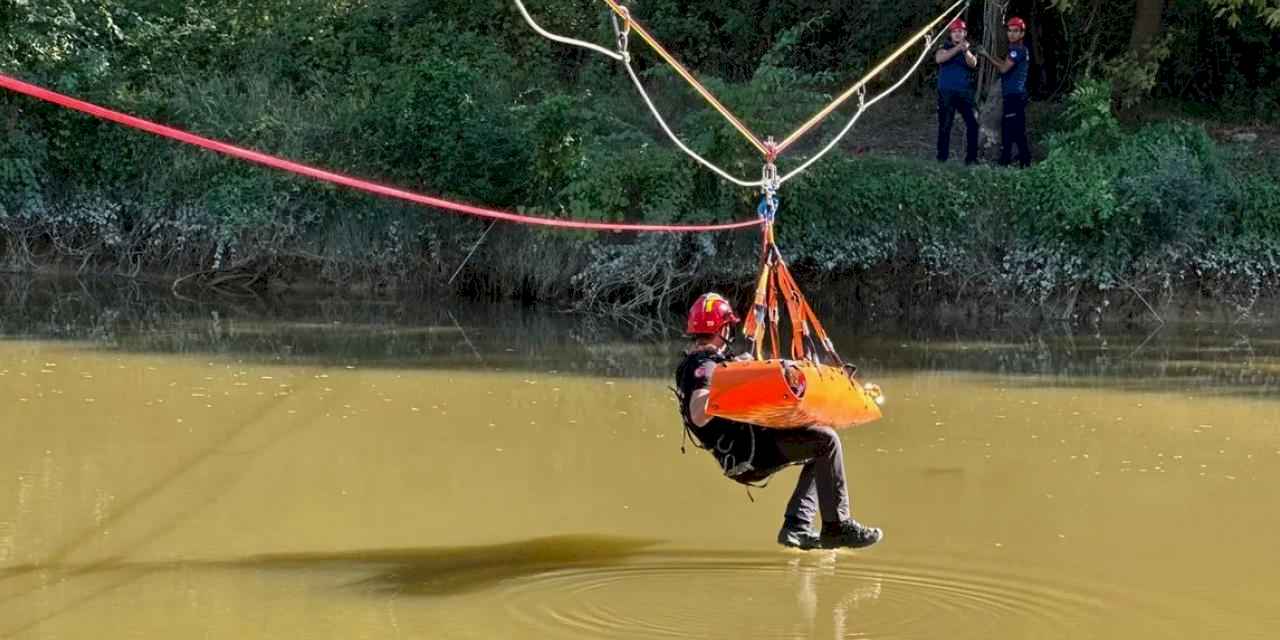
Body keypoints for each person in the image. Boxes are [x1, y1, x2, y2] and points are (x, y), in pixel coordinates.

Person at [673, 292, 883, 550]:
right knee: (826, 442)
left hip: (748, 450)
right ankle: (836, 527)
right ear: (723, 327)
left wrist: (738, 370)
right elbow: (698, 412)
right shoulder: (702, 365)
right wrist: (736, 377)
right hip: (750, 454)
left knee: (821, 447)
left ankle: (797, 527)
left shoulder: (709, 362)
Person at [978, 16, 1032, 167]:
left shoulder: (1017, 50)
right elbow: (1005, 64)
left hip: (1014, 96)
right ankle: (1016, 161)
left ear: (1022, 33)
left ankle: (1017, 162)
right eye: (1010, 31)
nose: (1012, 34)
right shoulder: (1017, 50)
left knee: (1012, 130)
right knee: (1012, 129)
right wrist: (989, 54)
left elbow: (1003, 68)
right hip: (1015, 96)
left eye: (1016, 31)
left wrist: (986, 55)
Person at [935, 18, 979, 165]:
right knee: (945, 125)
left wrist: (965, 50)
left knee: (972, 124)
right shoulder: (945, 46)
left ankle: (971, 159)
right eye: (954, 32)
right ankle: (942, 159)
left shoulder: (968, 49)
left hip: (964, 93)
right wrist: (957, 48)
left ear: (964, 33)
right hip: (946, 93)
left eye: (960, 31)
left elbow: (973, 64)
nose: (957, 34)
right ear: (951, 34)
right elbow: (939, 59)